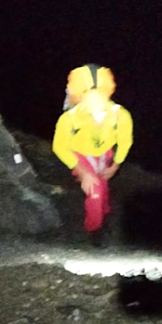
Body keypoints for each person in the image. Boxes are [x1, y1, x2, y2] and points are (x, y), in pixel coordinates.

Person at [52, 65, 133, 247]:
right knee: (94, 190)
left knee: (102, 187)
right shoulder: (69, 118)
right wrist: (82, 171)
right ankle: (95, 230)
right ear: (80, 96)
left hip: (105, 155)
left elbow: (125, 142)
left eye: (100, 94)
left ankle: (105, 212)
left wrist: (115, 166)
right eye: (88, 94)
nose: (95, 99)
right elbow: (59, 147)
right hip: (80, 156)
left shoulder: (121, 115)